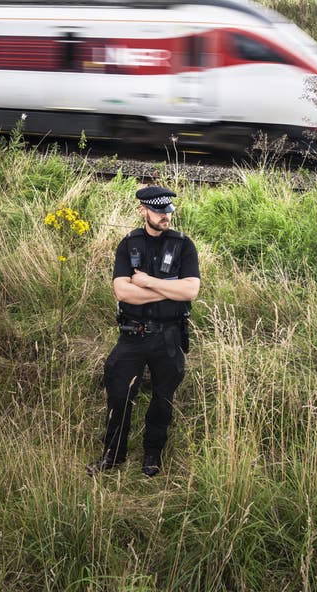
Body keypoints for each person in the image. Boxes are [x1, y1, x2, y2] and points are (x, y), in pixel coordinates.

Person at [89, 185, 201, 477]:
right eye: (158, 211)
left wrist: (149, 282)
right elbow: (122, 292)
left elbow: (191, 289)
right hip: (133, 334)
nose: (165, 217)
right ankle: (113, 455)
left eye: (168, 211)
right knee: (118, 394)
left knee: (163, 399)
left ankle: (152, 456)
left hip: (169, 336)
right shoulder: (129, 244)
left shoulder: (183, 245)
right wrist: (169, 291)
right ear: (143, 211)